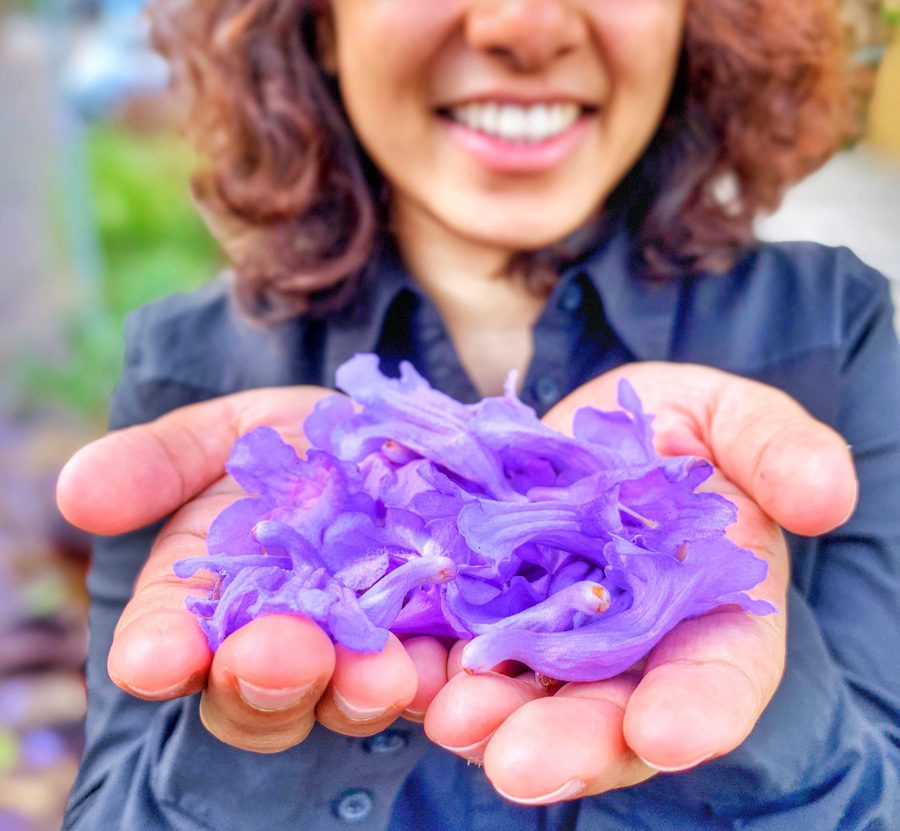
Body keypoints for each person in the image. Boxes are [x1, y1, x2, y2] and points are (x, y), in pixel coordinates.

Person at [58, 1, 899, 828]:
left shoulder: (830, 326)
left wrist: (721, 675)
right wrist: (274, 718)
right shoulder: (192, 367)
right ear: (317, 22)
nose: (522, 24)